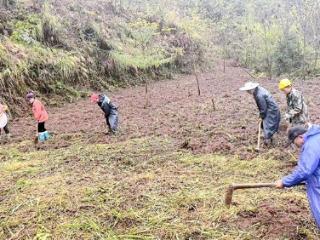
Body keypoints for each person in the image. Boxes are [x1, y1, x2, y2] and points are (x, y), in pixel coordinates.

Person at [275, 125, 320, 229]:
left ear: (300, 137)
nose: (296, 146)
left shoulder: (311, 144)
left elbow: (305, 170)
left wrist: (284, 181)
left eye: (294, 142)